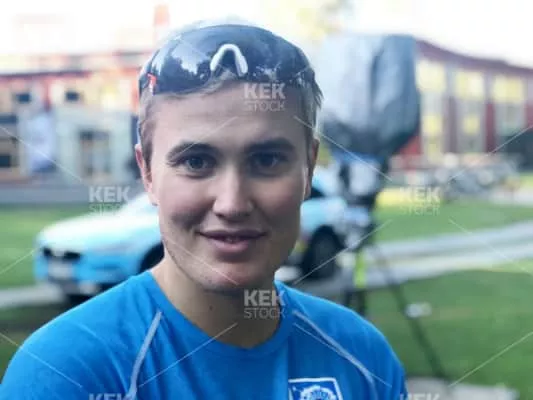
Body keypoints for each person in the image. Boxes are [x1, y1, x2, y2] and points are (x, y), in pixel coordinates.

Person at [0, 20, 408, 399]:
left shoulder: (362, 358)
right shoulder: (64, 373)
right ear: (147, 173)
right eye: (196, 162)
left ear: (308, 169)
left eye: (266, 160)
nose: (232, 204)